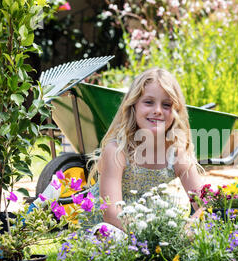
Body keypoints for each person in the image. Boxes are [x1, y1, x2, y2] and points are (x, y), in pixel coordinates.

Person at [86, 67, 204, 231]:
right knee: (108, 235)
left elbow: (203, 203)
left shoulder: (176, 151)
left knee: (202, 233)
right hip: (117, 227)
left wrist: (188, 229)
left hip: (154, 228)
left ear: (176, 111)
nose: (157, 111)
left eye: (166, 105)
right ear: (133, 105)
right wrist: (143, 240)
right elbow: (111, 213)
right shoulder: (117, 150)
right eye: (148, 102)